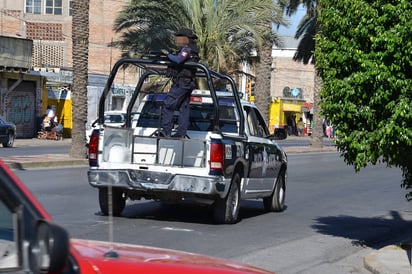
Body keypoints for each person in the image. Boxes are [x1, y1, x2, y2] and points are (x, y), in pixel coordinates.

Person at [160, 28, 200, 138]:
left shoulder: (186, 50)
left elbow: (178, 60)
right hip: (187, 83)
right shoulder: (193, 50)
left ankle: (166, 131)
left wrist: (167, 54)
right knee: (184, 108)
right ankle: (181, 134)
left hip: (182, 83)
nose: (177, 40)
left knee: (168, 104)